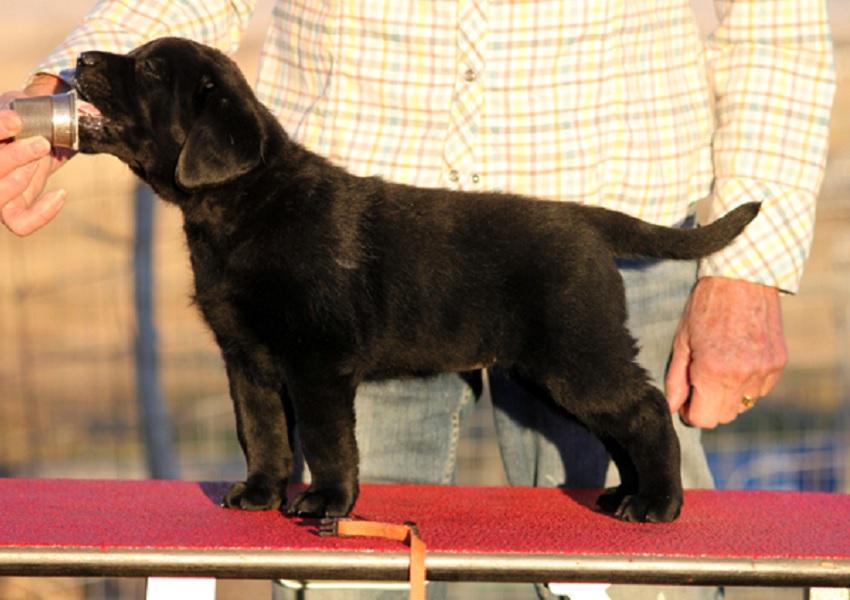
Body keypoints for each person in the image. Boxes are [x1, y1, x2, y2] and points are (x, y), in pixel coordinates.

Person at [0, 2, 835, 599]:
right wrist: (51, 105)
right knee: (340, 584)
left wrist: (750, 266)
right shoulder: (243, 221)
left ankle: (649, 465)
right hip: (343, 208)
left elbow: (782, 23)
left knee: (643, 562)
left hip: (586, 237)